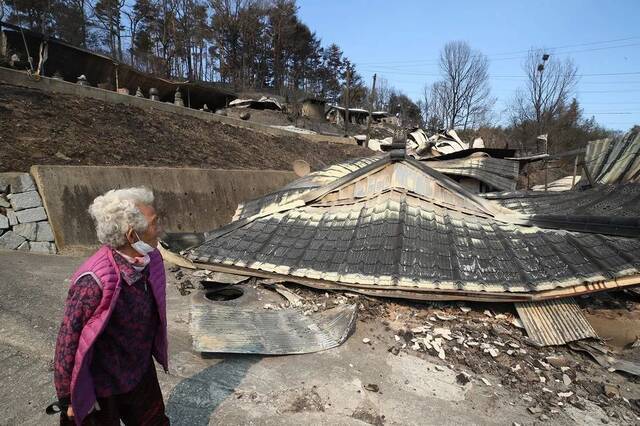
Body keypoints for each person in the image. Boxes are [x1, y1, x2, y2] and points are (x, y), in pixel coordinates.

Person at [52, 187, 169, 425]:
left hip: (139, 368)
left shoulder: (150, 260)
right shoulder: (93, 281)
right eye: (154, 223)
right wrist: (68, 399)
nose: (160, 229)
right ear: (131, 235)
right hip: (102, 382)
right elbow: (68, 341)